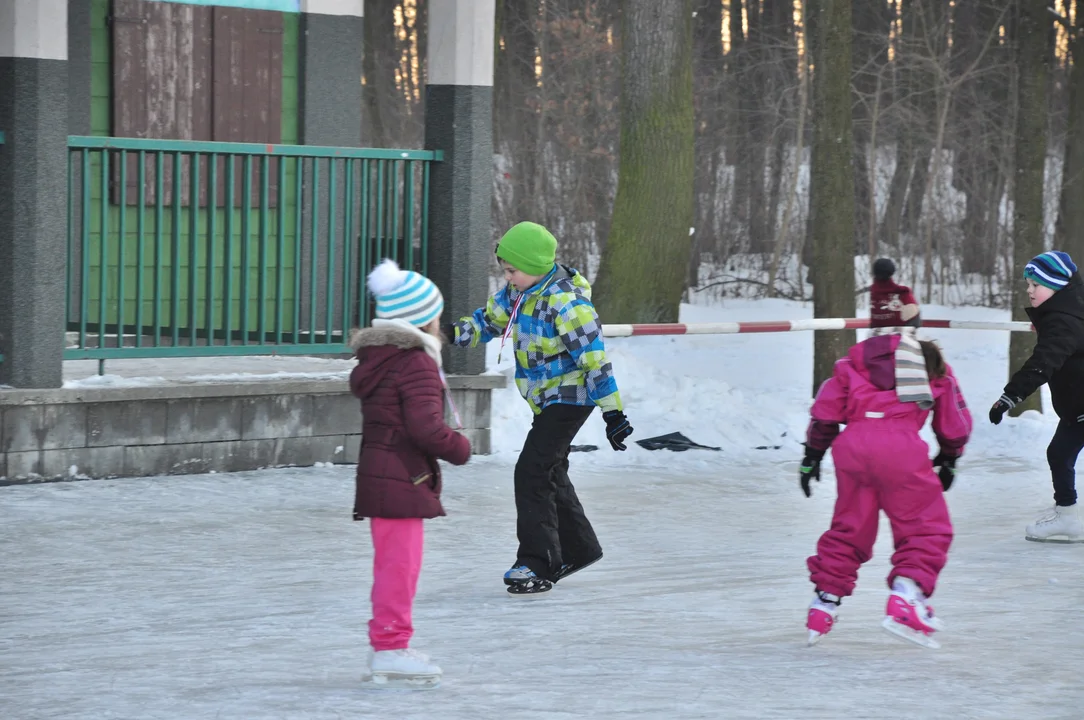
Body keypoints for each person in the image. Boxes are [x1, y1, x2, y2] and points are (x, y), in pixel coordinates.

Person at [447, 221, 633, 595]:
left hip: (570, 397)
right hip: (543, 398)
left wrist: (613, 413)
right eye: (505, 271)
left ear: (534, 265)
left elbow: (595, 362)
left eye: (512, 270)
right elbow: (488, 321)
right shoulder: (518, 294)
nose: (508, 277)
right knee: (550, 469)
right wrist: (446, 333)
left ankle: (537, 561)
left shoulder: (569, 305)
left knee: (532, 470)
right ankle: (579, 548)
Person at [800, 333, 972, 649]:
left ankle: (824, 605)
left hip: (852, 448)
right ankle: (906, 595)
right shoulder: (932, 368)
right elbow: (955, 423)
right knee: (925, 528)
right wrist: (950, 457)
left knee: (850, 528)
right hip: (900, 448)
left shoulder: (850, 366)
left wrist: (812, 456)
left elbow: (824, 414)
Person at [350, 259, 472, 687]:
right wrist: (460, 447)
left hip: (385, 475)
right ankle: (390, 648)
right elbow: (425, 427)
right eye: (436, 313)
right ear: (423, 319)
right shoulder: (415, 363)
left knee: (394, 566)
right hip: (400, 477)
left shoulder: (382, 359)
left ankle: (389, 644)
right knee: (399, 568)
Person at [989, 251, 1084, 543]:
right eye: (1028, 284)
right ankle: (1067, 514)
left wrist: (1010, 397)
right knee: (1059, 454)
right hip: (1076, 407)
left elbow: (1043, 362)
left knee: (1060, 454)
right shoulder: (1069, 312)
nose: (1029, 290)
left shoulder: (1063, 323)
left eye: (1036, 284)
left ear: (1055, 286)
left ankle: (1068, 516)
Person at [869, 258, 921, 332]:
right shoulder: (902, 292)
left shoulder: (873, 292)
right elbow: (915, 319)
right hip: (898, 336)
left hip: (875, 334)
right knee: (914, 309)